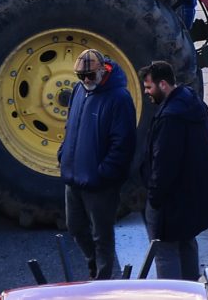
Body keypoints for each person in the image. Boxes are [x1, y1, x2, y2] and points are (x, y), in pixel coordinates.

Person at [140, 61, 208, 282]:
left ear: (164, 84)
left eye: (149, 87)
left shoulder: (170, 118)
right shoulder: (190, 103)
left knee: (164, 252)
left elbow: (164, 162)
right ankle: (191, 291)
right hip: (191, 197)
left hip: (170, 200)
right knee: (187, 243)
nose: (147, 92)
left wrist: (153, 197)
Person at [60, 50, 137, 280]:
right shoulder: (79, 91)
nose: (85, 81)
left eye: (90, 76)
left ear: (103, 70)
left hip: (100, 184)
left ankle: (102, 281)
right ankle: (93, 263)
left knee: (102, 235)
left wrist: (105, 174)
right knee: (75, 228)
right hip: (74, 177)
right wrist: (63, 155)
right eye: (81, 76)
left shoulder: (119, 98)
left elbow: (123, 143)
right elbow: (70, 127)